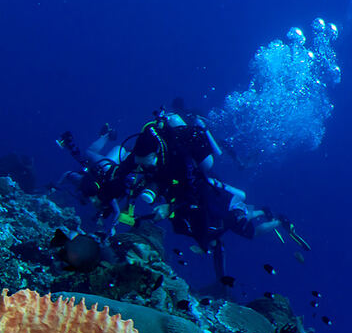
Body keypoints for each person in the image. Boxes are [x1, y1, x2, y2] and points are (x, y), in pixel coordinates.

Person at [59, 109, 307, 279]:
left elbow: (190, 190)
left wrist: (169, 208)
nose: (142, 166)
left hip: (195, 193)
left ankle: (265, 219)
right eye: (139, 162)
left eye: (146, 162)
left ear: (157, 154)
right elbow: (121, 175)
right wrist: (105, 198)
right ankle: (256, 214)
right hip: (182, 195)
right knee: (194, 227)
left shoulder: (181, 158)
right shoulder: (139, 154)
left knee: (219, 227)